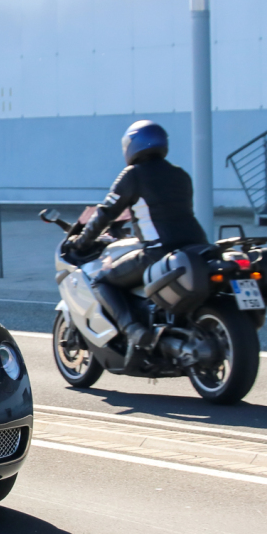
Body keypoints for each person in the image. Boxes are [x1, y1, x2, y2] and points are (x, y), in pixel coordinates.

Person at [64, 120, 208, 369]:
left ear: (131, 146)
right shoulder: (180, 175)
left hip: (158, 251)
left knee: (102, 278)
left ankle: (134, 330)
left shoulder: (133, 175)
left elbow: (104, 214)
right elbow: (166, 212)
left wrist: (80, 241)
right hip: (197, 248)